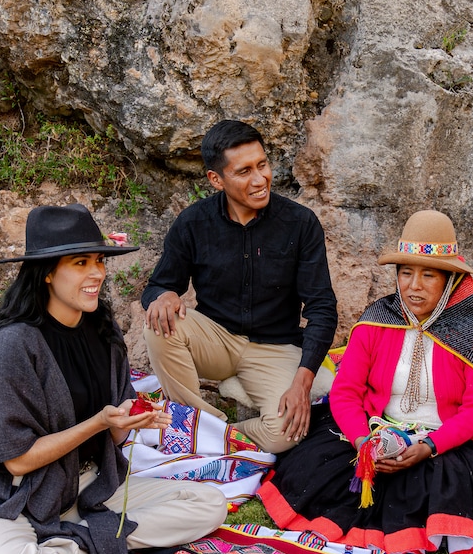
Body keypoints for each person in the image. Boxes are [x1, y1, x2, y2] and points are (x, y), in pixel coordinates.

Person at [0, 204, 228, 554]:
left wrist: (127, 423)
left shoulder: (104, 336)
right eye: (81, 262)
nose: (97, 273)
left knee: (209, 503)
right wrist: (99, 422)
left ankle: (75, 542)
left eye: (100, 261)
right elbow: (16, 462)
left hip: (89, 490)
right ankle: (101, 542)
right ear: (47, 271)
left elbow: (113, 432)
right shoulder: (13, 348)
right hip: (17, 501)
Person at [258, 210, 473, 554]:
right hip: (374, 429)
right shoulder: (377, 321)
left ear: (449, 280)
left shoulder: (472, 331)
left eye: (428, 275)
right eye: (406, 273)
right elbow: (346, 392)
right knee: (321, 471)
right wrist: (362, 441)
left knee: (429, 485)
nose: (413, 286)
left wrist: (428, 447)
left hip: (443, 441)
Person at [141, 119, 338, 454]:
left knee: (286, 433)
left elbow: (322, 306)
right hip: (216, 339)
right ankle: (195, 421)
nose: (260, 179)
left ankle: (216, 433)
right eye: (244, 171)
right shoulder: (193, 223)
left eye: (262, 165)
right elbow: (159, 285)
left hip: (275, 348)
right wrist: (165, 295)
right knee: (159, 324)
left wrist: (303, 382)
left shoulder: (300, 223)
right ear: (216, 179)